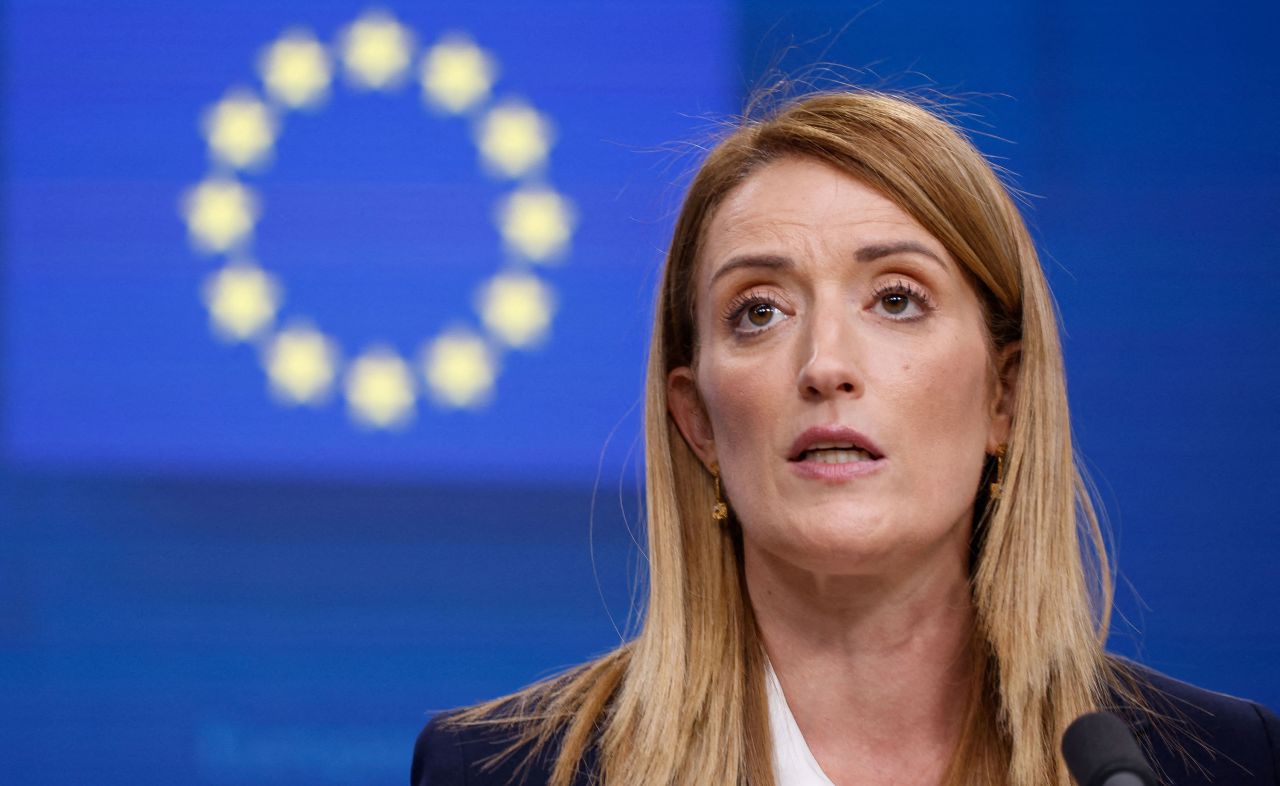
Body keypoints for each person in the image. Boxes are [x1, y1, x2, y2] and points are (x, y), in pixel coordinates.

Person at [411, 90, 1279, 785]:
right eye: (759, 312)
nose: (825, 364)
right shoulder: (496, 771)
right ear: (698, 420)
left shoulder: (1216, 764)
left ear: (1004, 397)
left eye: (896, 299)